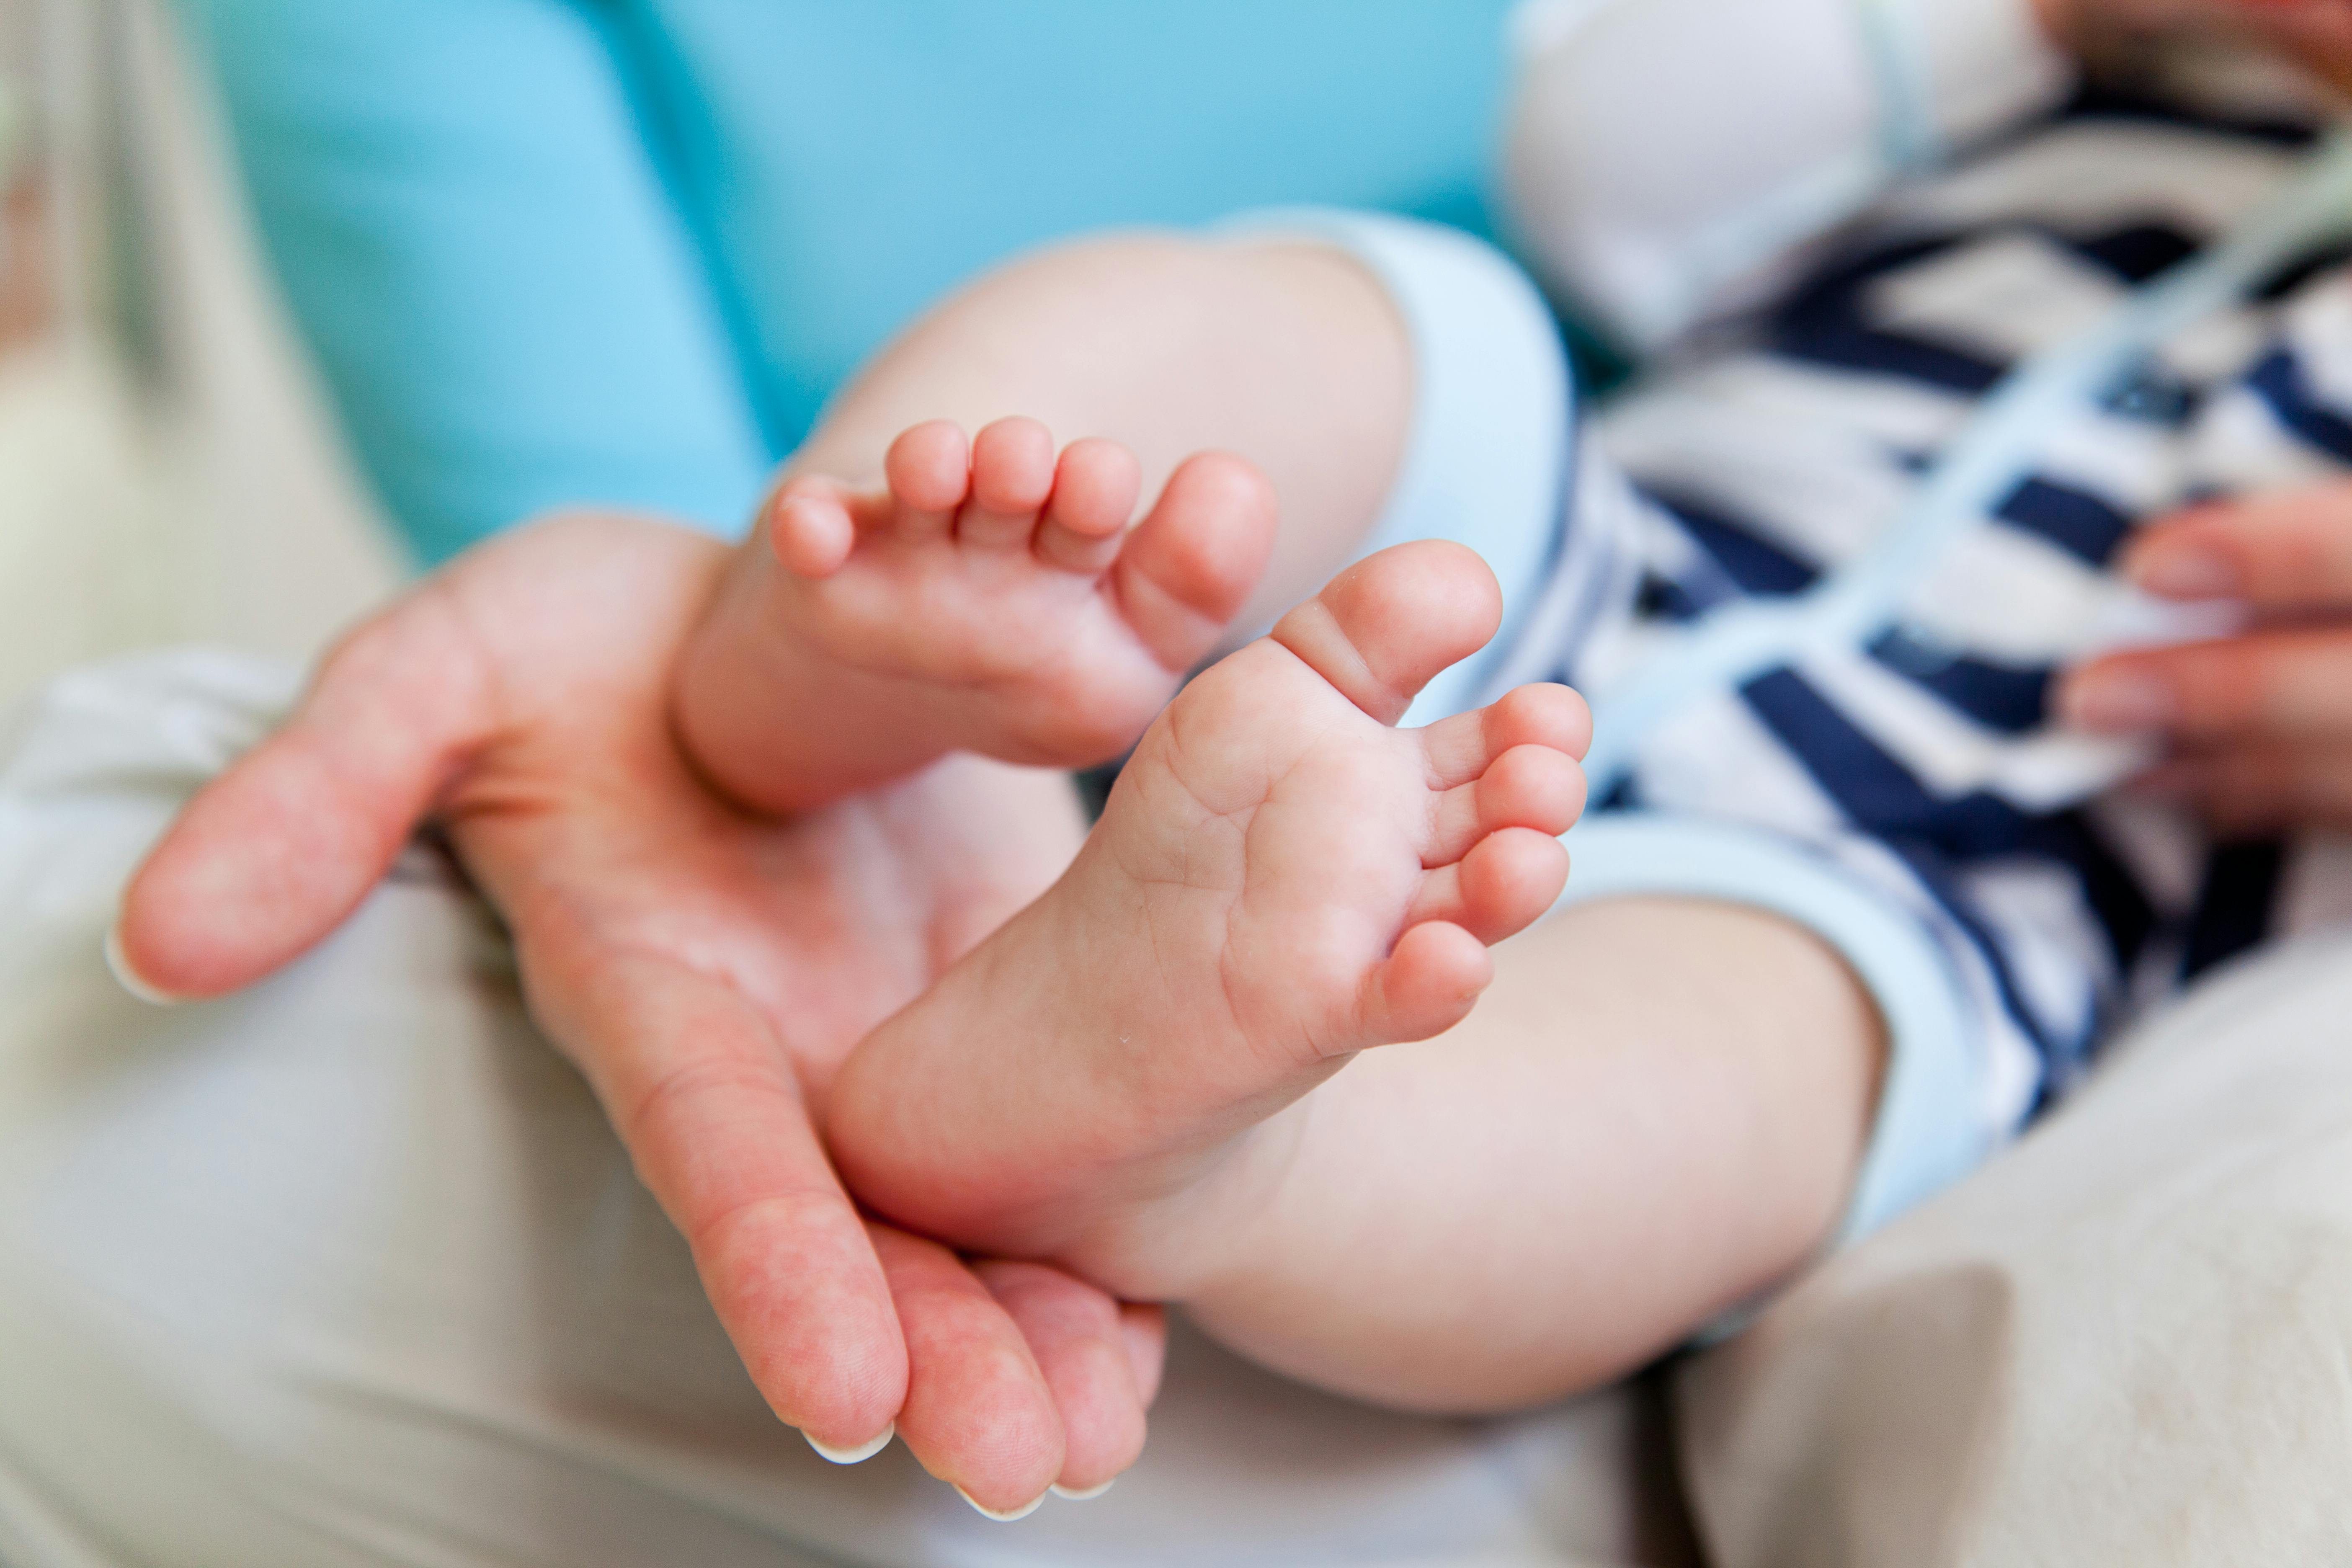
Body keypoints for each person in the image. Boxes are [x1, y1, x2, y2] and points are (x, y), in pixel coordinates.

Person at [14, 0, 2352, 1555]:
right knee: (1345, 332)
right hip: (1578, 525)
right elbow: (1606, 141)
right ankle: (827, 622)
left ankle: (1200, 1147)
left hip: (2017, 845)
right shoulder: (2106, 88)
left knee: (1771, 1074)